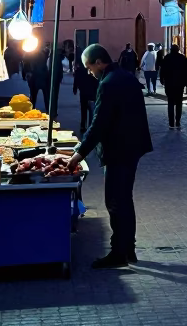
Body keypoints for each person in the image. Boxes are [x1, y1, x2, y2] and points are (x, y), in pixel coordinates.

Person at [65, 44, 153, 269]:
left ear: (98, 62)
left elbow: (99, 124)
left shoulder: (108, 84)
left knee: (115, 201)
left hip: (118, 149)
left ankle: (118, 253)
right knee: (125, 198)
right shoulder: (126, 77)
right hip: (132, 147)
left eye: (88, 67)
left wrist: (79, 153)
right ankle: (128, 248)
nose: (88, 72)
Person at [159, 43, 187, 129]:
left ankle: (171, 123)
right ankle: (178, 122)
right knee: (179, 103)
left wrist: (162, 80)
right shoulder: (182, 58)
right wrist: (186, 82)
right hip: (179, 85)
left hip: (169, 84)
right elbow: (186, 71)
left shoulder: (167, 58)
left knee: (170, 103)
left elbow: (162, 70)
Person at [72, 56, 99, 134]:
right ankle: (90, 126)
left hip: (83, 92)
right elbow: (96, 80)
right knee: (91, 110)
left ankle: (83, 125)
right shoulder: (92, 69)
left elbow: (76, 79)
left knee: (83, 110)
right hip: (91, 93)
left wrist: (75, 88)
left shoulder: (79, 70)